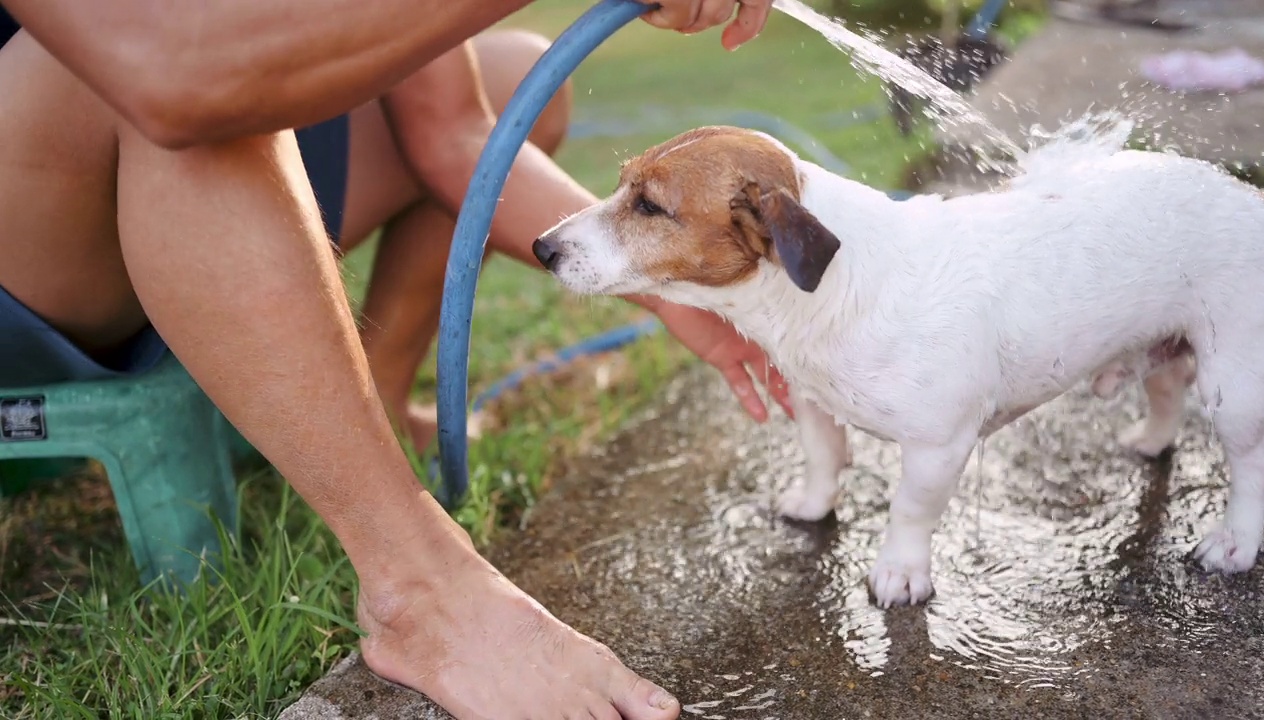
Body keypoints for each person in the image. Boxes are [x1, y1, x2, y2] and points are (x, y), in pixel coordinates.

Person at [0, 1, 782, 718]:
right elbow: (172, 73)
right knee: (184, 62)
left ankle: (364, 396)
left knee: (515, 79)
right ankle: (417, 586)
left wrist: (665, 294)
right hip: (43, 220)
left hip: (164, 139)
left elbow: (454, 132)